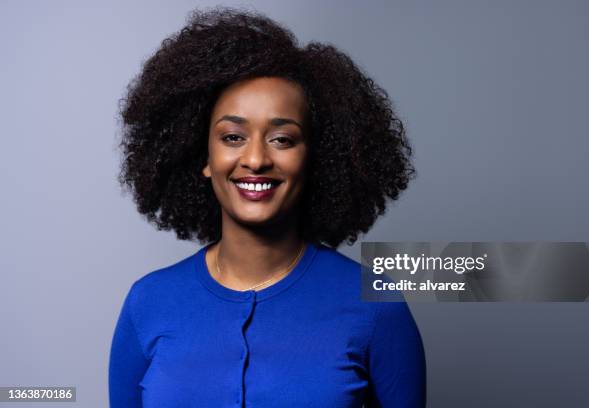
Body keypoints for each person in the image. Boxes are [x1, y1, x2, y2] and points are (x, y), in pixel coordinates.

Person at [109, 7, 425, 407]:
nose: (256, 159)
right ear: (202, 156)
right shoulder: (148, 303)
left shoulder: (377, 305)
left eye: (282, 139)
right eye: (233, 137)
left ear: (318, 159)